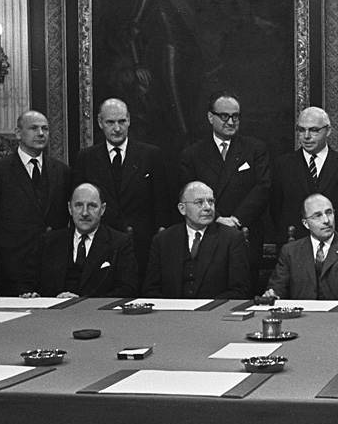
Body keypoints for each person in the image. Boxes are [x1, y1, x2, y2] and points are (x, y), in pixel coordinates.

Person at [71, 98, 174, 281]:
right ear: (100, 122)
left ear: (129, 121)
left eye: (121, 121)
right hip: (101, 244)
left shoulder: (150, 155)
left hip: (142, 245)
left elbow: (161, 204)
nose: (117, 128)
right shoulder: (87, 158)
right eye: (110, 122)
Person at [178, 92, 271, 284]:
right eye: (224, 116)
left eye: (235, 116)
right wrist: (218, 218)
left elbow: (263, 188)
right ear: (210, 117)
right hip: (208, 230)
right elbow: (187, 193)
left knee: (244, 286)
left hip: (245, 231)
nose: (230, 122)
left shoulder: (255, 149)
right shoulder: (192, 154)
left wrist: (236, 220)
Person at [0, 111, 71, 295]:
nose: (41, 133)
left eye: (45, 129)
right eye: (34, 128)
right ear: (18, 133)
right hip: (13, 266)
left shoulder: (61, 171)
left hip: (53, 265)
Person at [128, 0, 205, 137]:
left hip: (188, 56)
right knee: (177, 115)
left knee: (191, 109)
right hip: (167, 57)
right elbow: (135, 27)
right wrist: (138, 65)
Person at [21, 183, 138, 299]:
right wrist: (31, 294)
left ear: (102, 209)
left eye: (92, 206)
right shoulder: (48, 242)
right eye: (78, 205)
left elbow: (127, 290)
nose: (85, 213)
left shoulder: (120, 243)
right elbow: (27, 283)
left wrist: (82, 301)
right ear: (70, 208)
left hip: (94, 310)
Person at [143, 181, 250, 299]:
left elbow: (239, 290)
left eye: (211, 201)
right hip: (171, 309)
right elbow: (151, 290)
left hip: (214, 309)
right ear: (182, 208)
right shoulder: (163, 240)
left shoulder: (232, 239)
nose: (208, 208)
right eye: (199, 202)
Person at [270, 106, 338, 245]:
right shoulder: (282, 165)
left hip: (337, 246)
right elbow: (275, 209)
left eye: (314, 130)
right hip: (294, 244)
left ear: (328, 131)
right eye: (301, 130)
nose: (306, 136)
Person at [263, 194, 338, 302]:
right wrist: (273, 295)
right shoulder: (291, 252)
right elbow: (277, 289)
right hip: (303, 315)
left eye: (329, 213)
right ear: (305, 223)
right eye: (317, 216)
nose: (326, 220)